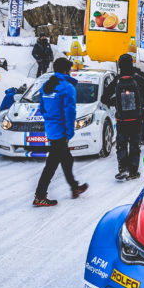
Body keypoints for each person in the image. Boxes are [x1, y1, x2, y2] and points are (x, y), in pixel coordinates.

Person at [33, 57, 88, 206]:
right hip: (61, 131)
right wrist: (69, 133)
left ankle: (74, 187)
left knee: (66, 159)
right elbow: (70, 113)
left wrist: (51, 121)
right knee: (51, 165)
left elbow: (42, 108)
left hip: (51, 130)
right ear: (65, 71)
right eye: (69, 70)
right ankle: (39, 196)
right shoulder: (67, 88)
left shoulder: (46, 86)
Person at [102, 53, 144, 180]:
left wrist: (116, 102)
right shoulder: (138, 78)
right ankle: (133, 171)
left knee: (121, 144)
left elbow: (104, 98)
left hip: (121, 119)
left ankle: (122, 168)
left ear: (120, 65)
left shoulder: (117, 80)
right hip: (136, 119)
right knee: (134, 145)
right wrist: (142, 103)